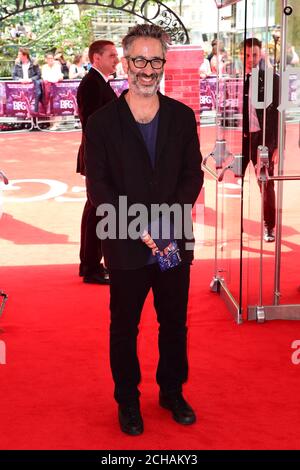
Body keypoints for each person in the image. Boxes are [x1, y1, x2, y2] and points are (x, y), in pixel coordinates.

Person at [85, 24, 203, 435]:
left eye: (155, 60)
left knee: (174, 322)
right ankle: (128, 401)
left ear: (163, 64)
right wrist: (139, 224)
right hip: (125, 243)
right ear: (127, 61)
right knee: (125, 326)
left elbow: (193, 176)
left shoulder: (182, 116)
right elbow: (98, 187)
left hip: (172, 242)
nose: (147, 69)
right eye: (139, 60)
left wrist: (167, 220)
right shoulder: (101, 123)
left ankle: (172, 391)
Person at [76, 40, 119, 284]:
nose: (116, 59)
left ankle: (89, 264)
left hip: (101, 156)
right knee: (98, 211)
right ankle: (91, 267)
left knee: (94, 210)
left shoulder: (99, 82)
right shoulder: (91, 84)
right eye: (111, 55)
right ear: (96, 59)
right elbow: (92, 123)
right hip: (98, 157)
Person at [240, 38, 279, 242]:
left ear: (261, 54)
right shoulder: (236, 78)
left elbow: (278, 115)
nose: (250, 59)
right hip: (241, 139)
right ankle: (237, 225)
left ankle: (269, 226)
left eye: (254, 55)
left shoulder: (271, 79)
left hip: (262, 139)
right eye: (246, 55)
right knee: (235, 181)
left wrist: (276, 146)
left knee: (265, 183)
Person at [12, 48, 42, 113]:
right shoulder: (17, 64)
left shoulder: (34, 63)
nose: (18, 56)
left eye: (19, 54)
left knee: (38, 92)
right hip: (21, 85)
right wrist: (20, 80)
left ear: (25, 55)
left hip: (32, 84)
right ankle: (20, 114)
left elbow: (38, 75)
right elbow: (14, 76)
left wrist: (30, 79)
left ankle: (35, 112)